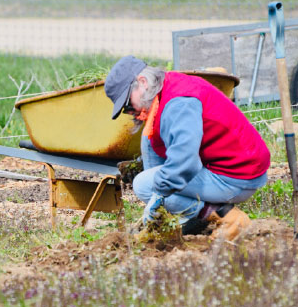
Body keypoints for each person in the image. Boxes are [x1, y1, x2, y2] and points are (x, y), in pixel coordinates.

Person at [104, 56, 270, 241]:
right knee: (149, 138)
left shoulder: (179, 104)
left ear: (142, 82)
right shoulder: (166, 86)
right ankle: (169, 219)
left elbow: (186, 162)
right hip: (226, 163)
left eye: (127, 104)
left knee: (144, 185)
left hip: (238, 175)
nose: (129, 112)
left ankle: (228, 217)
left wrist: (158, 194)